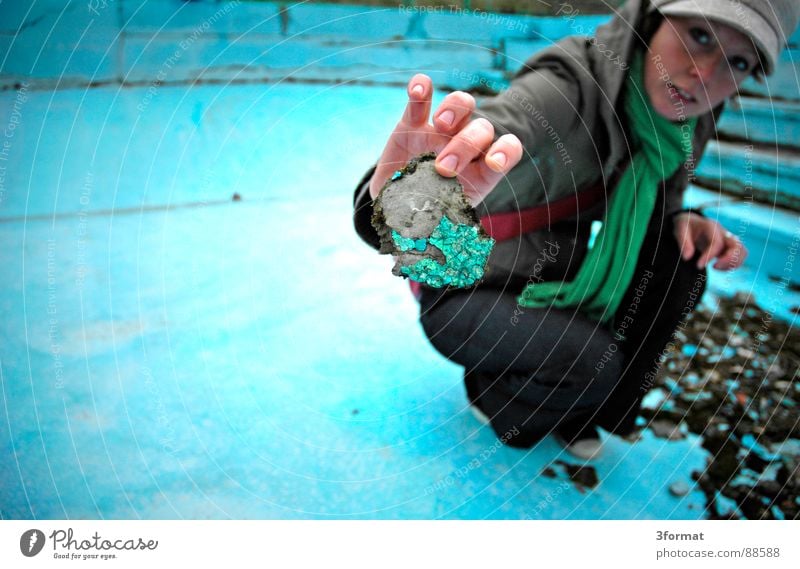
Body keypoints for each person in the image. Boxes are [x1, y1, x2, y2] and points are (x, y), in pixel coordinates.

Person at [352, 0, 800, 459]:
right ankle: (496, 395)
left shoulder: (687, 118)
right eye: (699, 35)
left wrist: (682, 220)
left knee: (679, 262)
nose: (704, 74)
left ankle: (584, 411)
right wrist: (403, 191)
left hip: (552, 273)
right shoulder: (566, 87)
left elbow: (664, 195)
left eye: (737, 62)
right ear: (648, 21)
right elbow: (507, 121)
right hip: (468, 287)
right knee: (583, 369)